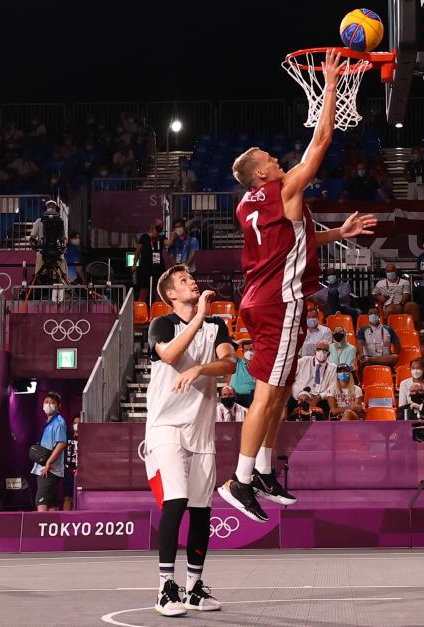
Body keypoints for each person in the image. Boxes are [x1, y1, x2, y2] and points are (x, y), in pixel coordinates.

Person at [223, 50, 376, 522]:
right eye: (271, 159)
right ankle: (241, 481)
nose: (279, 160)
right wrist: (331, 83)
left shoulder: (250, 203)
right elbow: (324, 137)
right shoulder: (283, 189)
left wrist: (337, 234)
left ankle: (264, 470)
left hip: (261, 298)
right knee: (268, 393)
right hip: (280, 303)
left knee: (285, 387)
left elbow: (293, 240)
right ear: (263, 174)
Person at [145, 265, 235, 615]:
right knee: (177, 498)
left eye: (191, 278)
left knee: (201, 509)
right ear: (171, 294)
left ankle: (194, 588)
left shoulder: (217, 327)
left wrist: (200, 368)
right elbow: (169, 355)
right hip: (165, 426)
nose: (192, 281)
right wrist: (198, 316)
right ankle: (166, 587)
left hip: (201, 429)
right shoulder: (162, 324)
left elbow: (229, 364)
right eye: (184, 281)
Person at [31, 392, 68, 511]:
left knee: (41, 503)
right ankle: (53, 528)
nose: (49, 405)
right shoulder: (49, 422)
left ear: (58, 406)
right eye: (46, 402)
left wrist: (49, 463)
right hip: (45, 468)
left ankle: (41, 528)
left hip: (49, 470)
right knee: (51, 504)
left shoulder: (59, 422)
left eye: (52, 403)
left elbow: (61, 443)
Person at [289, 340, 337, 416]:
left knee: (327, 404)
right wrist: (300, 395)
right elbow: (290, 377)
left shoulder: (333, 368)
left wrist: (320, 396)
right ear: (315, 352)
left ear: (329, 354)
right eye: (319, 349)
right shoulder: (303, 361)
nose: (321, 352)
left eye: (325, 350)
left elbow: (333, 387)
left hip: (319, 400)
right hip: (298, 398)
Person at [133, 219, 166, 302]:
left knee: (158, 290)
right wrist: (134, 264)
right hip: (145, 267)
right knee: (144, 289)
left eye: (162, 225)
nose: (161, 226)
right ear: (153, 225)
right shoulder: (144, 237)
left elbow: (168, 243)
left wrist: (174, 235)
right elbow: (138, 251)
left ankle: (158, 311)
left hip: (158, 267)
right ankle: (140, 312)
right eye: (159, 224)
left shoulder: (162, 237)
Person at [228, 340, 256, 408]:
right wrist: (241, 340)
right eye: (246, 350)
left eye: (251, 349)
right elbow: (229, 349)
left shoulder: (259, 365)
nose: (249, 352)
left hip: (252, 397)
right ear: (243, 352)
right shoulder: (237, 361)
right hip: (236, 397)